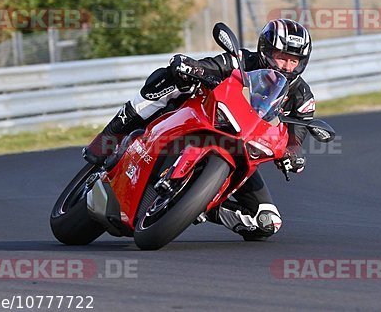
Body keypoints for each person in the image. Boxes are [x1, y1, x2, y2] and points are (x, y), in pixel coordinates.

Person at [82, 19, 315, 241]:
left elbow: (295, 137)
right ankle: (112, 134)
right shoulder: (242, 60)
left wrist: (292, 155)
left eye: (293, 61)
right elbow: (211, 67)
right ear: (265, 51)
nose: (286, 66)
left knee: (267, 222)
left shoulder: (302, 97)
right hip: (209, 118)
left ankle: (201, 206)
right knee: (171, 78)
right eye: (281, 58)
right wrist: (193, 68)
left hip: (242, 147)